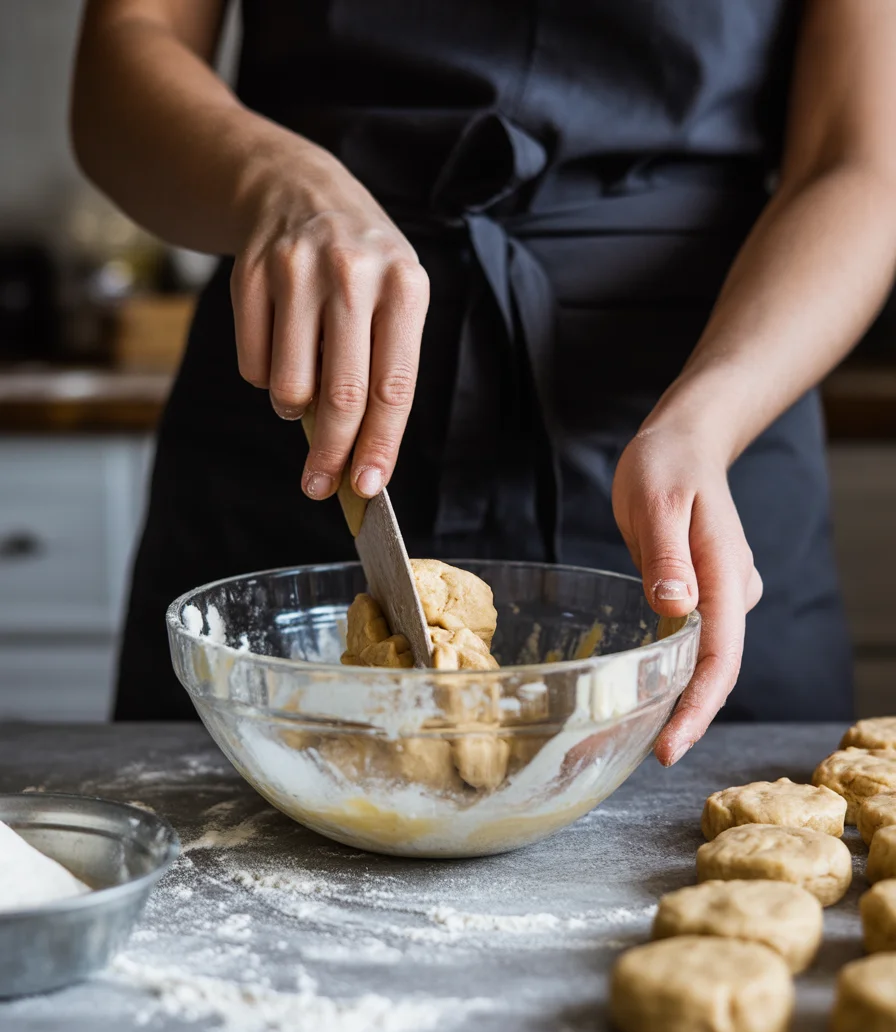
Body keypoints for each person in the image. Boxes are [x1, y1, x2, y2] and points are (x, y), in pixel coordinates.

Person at [71, 1, 896, 762]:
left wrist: (708, 418)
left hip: (703, 422)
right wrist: (276, 184)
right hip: (301, 390)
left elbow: (858, 164)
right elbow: (124, 56)